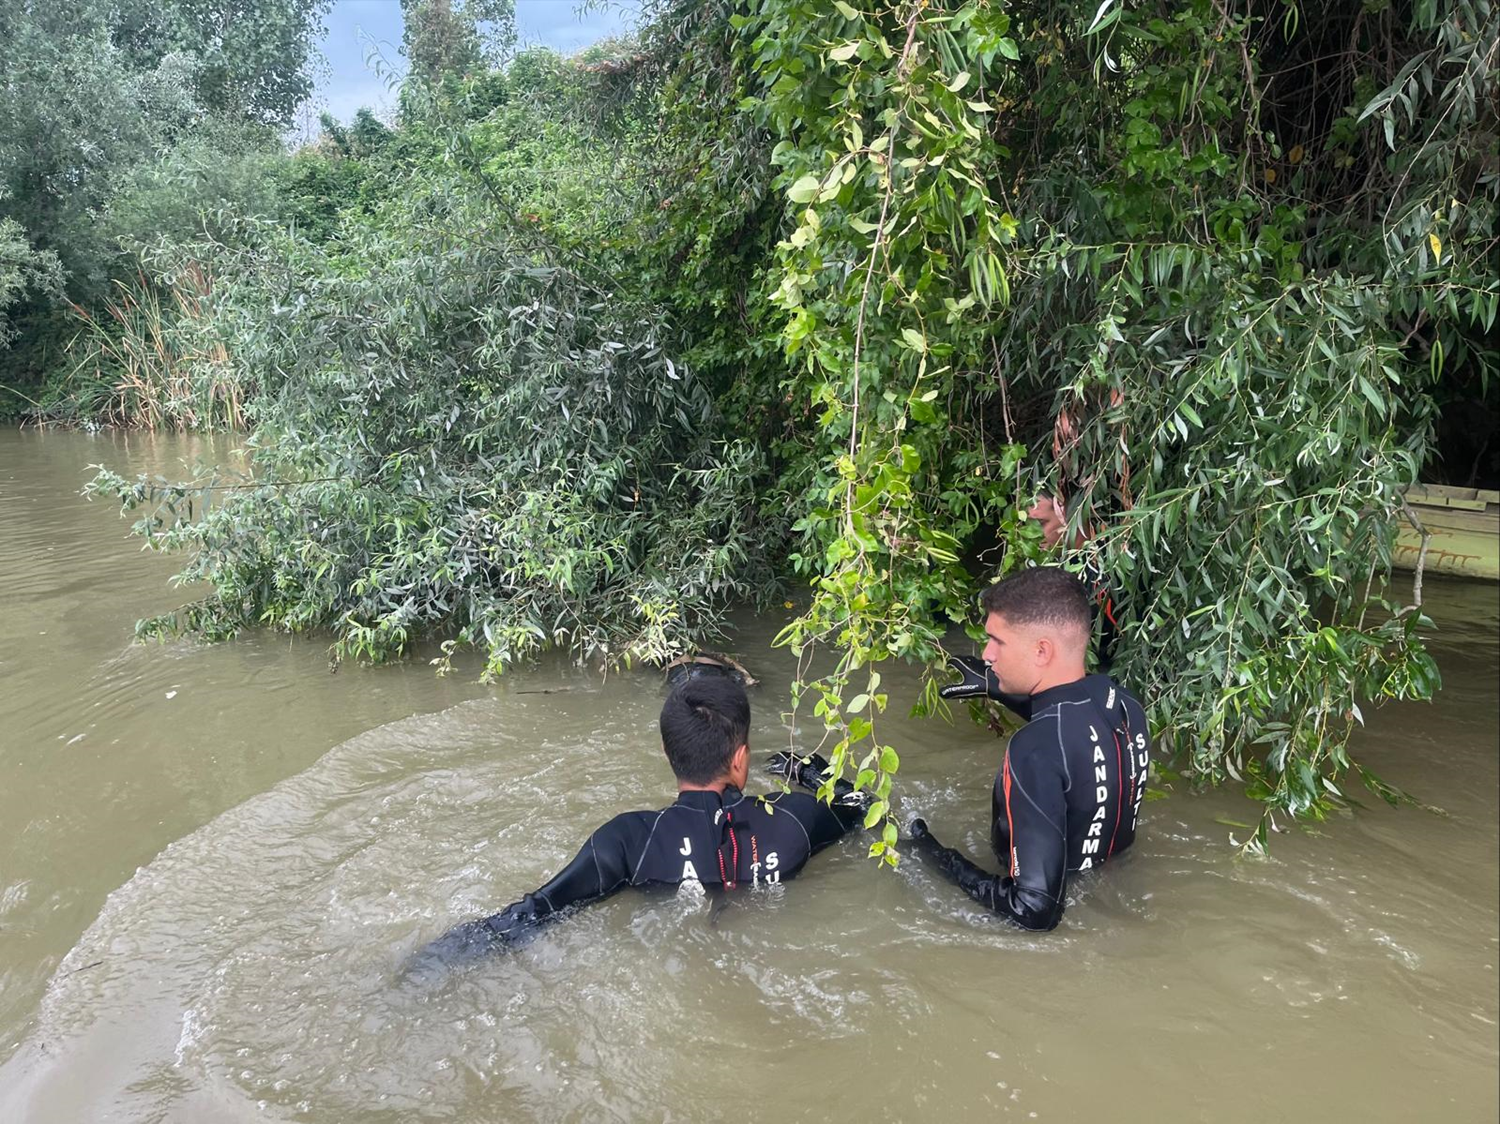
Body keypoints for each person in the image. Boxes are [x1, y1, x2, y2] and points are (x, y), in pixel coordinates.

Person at [405, 677, 866, 977]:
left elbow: (534, 911)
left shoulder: (629, 839)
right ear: (742, 760)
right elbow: (865, 807)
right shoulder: (795, 819)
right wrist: (811, 773)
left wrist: (430, 964)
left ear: (669, 756)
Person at [910, 566, 1148, 932]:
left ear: (1041, 650)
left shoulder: (1033, 750)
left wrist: (939, 858)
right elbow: (1074, 729)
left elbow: (1035, 911)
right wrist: (999, 688)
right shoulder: (1121, 701)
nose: (986, 654)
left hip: (1061, 925)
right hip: (1115, 885)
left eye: (997, 641)